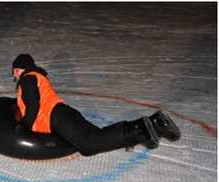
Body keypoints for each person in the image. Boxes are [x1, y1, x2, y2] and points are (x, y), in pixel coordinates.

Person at [11, 54, 181, 157]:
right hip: (60, 114)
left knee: (89, 144)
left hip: (57, 116)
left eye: (14, 71)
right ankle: (149, 129)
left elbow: (33, 105)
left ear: (18, 69)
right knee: (93, 141)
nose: (14, 75)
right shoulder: (37, 77)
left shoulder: (28, 79)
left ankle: (143, 127)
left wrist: (24, 127)